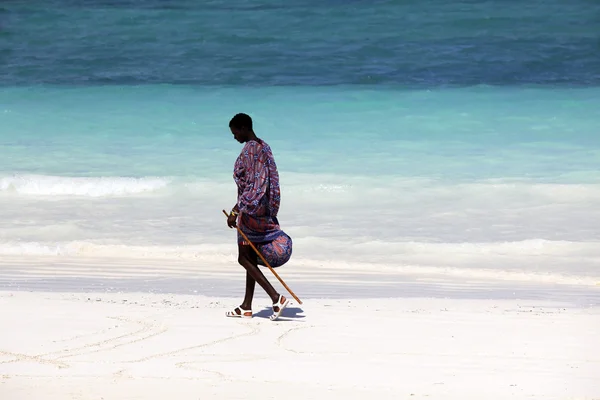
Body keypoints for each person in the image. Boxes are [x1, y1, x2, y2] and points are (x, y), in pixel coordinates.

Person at [225, 113, 293, 321]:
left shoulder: (252, 149)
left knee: (243, 258)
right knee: (249, 257)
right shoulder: (264, 147)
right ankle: (246, 306)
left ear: (244, 127)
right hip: (261, 210)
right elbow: (270, 181)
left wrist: (237, 210)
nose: (234, 137)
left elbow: (255, 184)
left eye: (235, 132)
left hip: (250, 212)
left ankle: (276, 297)